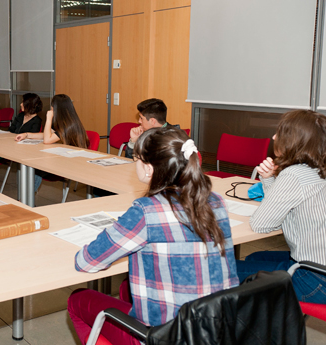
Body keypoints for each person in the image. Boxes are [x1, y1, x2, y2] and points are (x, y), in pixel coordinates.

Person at [69, 127, 238, 345]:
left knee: (78, 300)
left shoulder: (147, 211)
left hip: (167, 338)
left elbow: (86, 262)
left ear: (149, 169)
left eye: (135, 158)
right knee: (125, 287)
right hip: (219, 331)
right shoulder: (215, 201)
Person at [236, 110, 326, 305]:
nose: (274, 137)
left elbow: (261, 224)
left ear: (296, 141)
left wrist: (269, 181)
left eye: (280, 133)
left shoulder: (294, 175)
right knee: (253, 258)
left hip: (317, 280)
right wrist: (269, 180)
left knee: (228, 270)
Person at [15, 94, 88, 191]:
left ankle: (26, 199)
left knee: (37, 168)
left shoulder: (68, 126)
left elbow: (47, 140)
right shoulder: (65, 122)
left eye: (52, 106)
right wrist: (27, 135)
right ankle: (26, 198)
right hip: (64, 157)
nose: (51, 108)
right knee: (33, 165)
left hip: (72, 163)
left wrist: (48, 119)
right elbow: (47, 135)